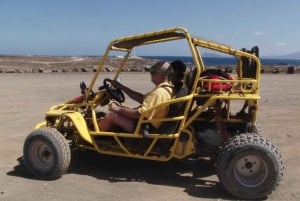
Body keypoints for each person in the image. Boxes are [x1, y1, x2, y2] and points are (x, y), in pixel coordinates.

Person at [99, 61, 174, 132]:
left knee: (110, 115)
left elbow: (139, 114)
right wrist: (122, 87)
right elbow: (141, 98)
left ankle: (96, 139)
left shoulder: (159, 93)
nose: (151, 73)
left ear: (161, 74)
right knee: (122, 110)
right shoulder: (166, 89)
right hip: (147, 123)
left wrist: (117, 109)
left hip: (145, 128)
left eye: (153, 71)